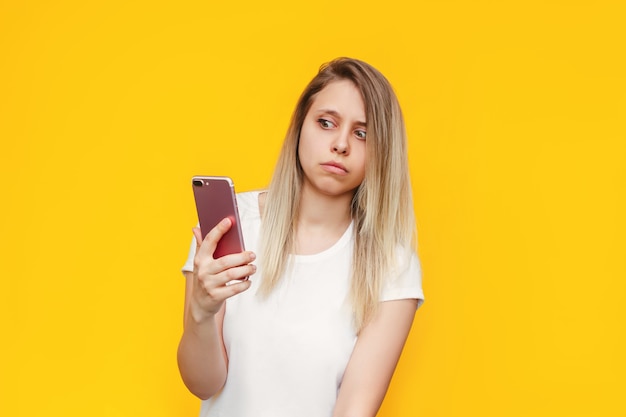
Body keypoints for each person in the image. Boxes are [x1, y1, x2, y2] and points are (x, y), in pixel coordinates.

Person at [177, 57, 424, 417]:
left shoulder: (392, 265)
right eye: (326, 123)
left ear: (382, 152)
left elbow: (353, 409)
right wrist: (201, 310)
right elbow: (203, 384)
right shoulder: (232, 226)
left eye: (362, 133)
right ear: (299, 127)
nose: (341, 144)